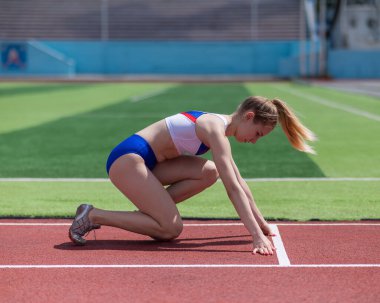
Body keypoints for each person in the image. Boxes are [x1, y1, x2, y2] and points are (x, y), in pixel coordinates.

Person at [69, 96, 316, 256]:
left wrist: (262, 224)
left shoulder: (219, 129)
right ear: (249, 117)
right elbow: (233, 189)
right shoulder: (214, 128)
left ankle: (152, 213)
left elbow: (239, 182)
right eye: (258, 133)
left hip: (149, 163)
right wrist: (256, 237)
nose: (254, 141)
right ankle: (93, 214)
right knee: (170, 229)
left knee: (210, 171)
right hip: (127, 161)